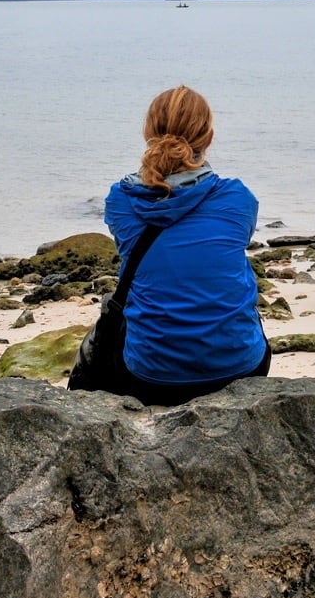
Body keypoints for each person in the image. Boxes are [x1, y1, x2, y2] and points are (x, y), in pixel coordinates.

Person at [92, 85, 270, 406]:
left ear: (148, 134)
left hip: (150, 376)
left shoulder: (121, 200)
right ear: (210, 138)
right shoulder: (237, 198)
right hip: (241, 367)